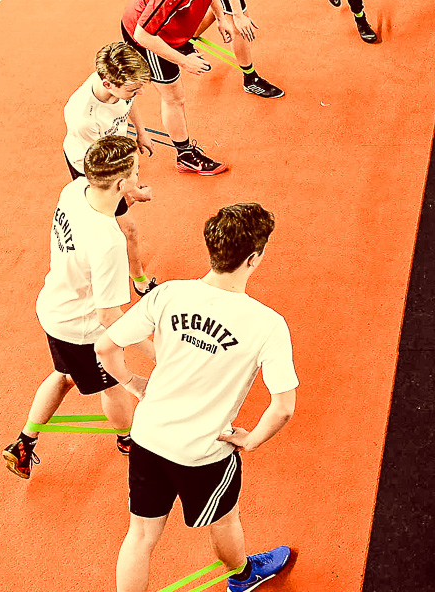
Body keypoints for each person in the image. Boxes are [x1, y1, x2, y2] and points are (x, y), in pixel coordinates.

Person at [96, 203, 298, 592]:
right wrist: (251, 439)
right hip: (203, 454)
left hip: (148, 437)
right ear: (253, 259)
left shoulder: (168, 294)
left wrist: (134, 385)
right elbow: (283, 407)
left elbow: (106, 347)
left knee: (139, 536)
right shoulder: (268, 325)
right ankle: (241, 577)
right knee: (224, 521)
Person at [4, 136, 147, 479]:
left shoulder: (76, 190)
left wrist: (133, 195)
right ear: (119, 182)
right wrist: (156, 350)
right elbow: (108, 315)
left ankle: (24, 442)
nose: (140, 175)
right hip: (80, 327)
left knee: (65, 376)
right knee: (114, 382)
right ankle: (129, 439)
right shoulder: (107, 242)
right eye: (136, 172)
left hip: (53, 307)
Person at [121, 0, 241, 176]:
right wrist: (184, 61)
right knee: (174, 96)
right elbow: (144, 34)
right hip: (150, 35)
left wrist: (221, 18)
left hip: (170, 26)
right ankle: (185, 155)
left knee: (174, 88)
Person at [63, 42, 159, 295]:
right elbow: (104, 168)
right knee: (128, 228)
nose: (138, 93)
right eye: (132, 89)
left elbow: (127, 103)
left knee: (113, 221)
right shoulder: (84, 118)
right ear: (108, 84)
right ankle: (139, 281)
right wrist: (134, 191)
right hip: (92, 168)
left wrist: (141, 132)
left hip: (112, 151)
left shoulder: (117, 87)